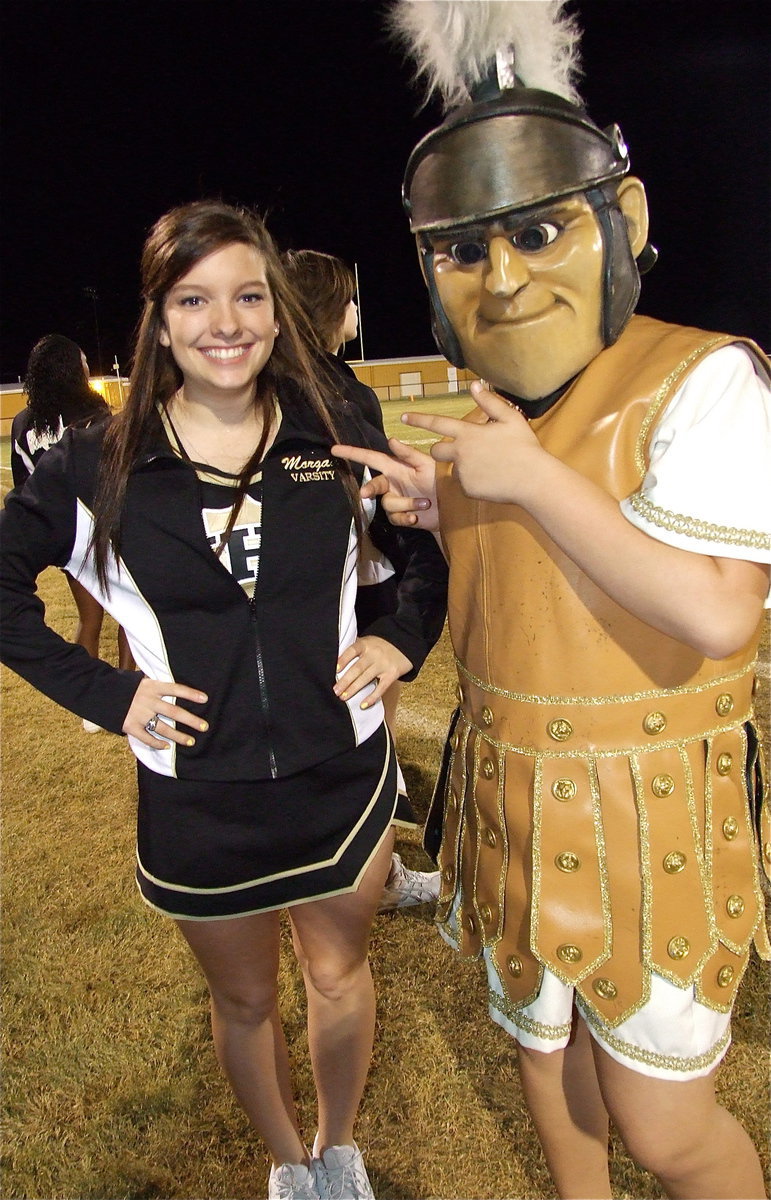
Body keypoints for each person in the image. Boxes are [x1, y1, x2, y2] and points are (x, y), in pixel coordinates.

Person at [332, 2, 771, 1197]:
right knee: (545, 1061)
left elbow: (720, 611)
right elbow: (543, 555)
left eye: (537, 230)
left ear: (618, 220)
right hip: (510, 787)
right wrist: (454, 509)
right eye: (468, 250)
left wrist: (520, 480)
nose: (506, 278)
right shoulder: (499, 413)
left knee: (666, 1124)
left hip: (648, 810)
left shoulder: (704, 375)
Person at [0, 200, 447, 1200]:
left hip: (342, 770)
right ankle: (287, 1165)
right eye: (195, 299)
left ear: (279, 314)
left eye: (249, 295)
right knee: (246, 1002)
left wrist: (400, 636)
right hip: (200, 794)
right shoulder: (96, 464)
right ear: (159, 321)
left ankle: (338, 1148)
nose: (226, 322)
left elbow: (419, 557)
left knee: (340, 974)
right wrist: (110, 695)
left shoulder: (335, 432)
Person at [282, 248, 441, 911]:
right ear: (327, 308)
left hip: (296, 592)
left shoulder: (272, 384)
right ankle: (374, 870)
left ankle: (363, 827)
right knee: (360, 716)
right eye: (348, 300)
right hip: (356, 576)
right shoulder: (336, 391)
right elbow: (371, 491)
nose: (356, 311)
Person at [11, 333, 133, 724]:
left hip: (67, 539)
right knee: (129, 617)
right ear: (71, 369)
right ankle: (124, 695)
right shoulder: (93, 414)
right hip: (111, 528)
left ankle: (91, 710)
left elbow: (22, 488)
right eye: (82, 362)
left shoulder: (22, 424)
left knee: (89, 619)